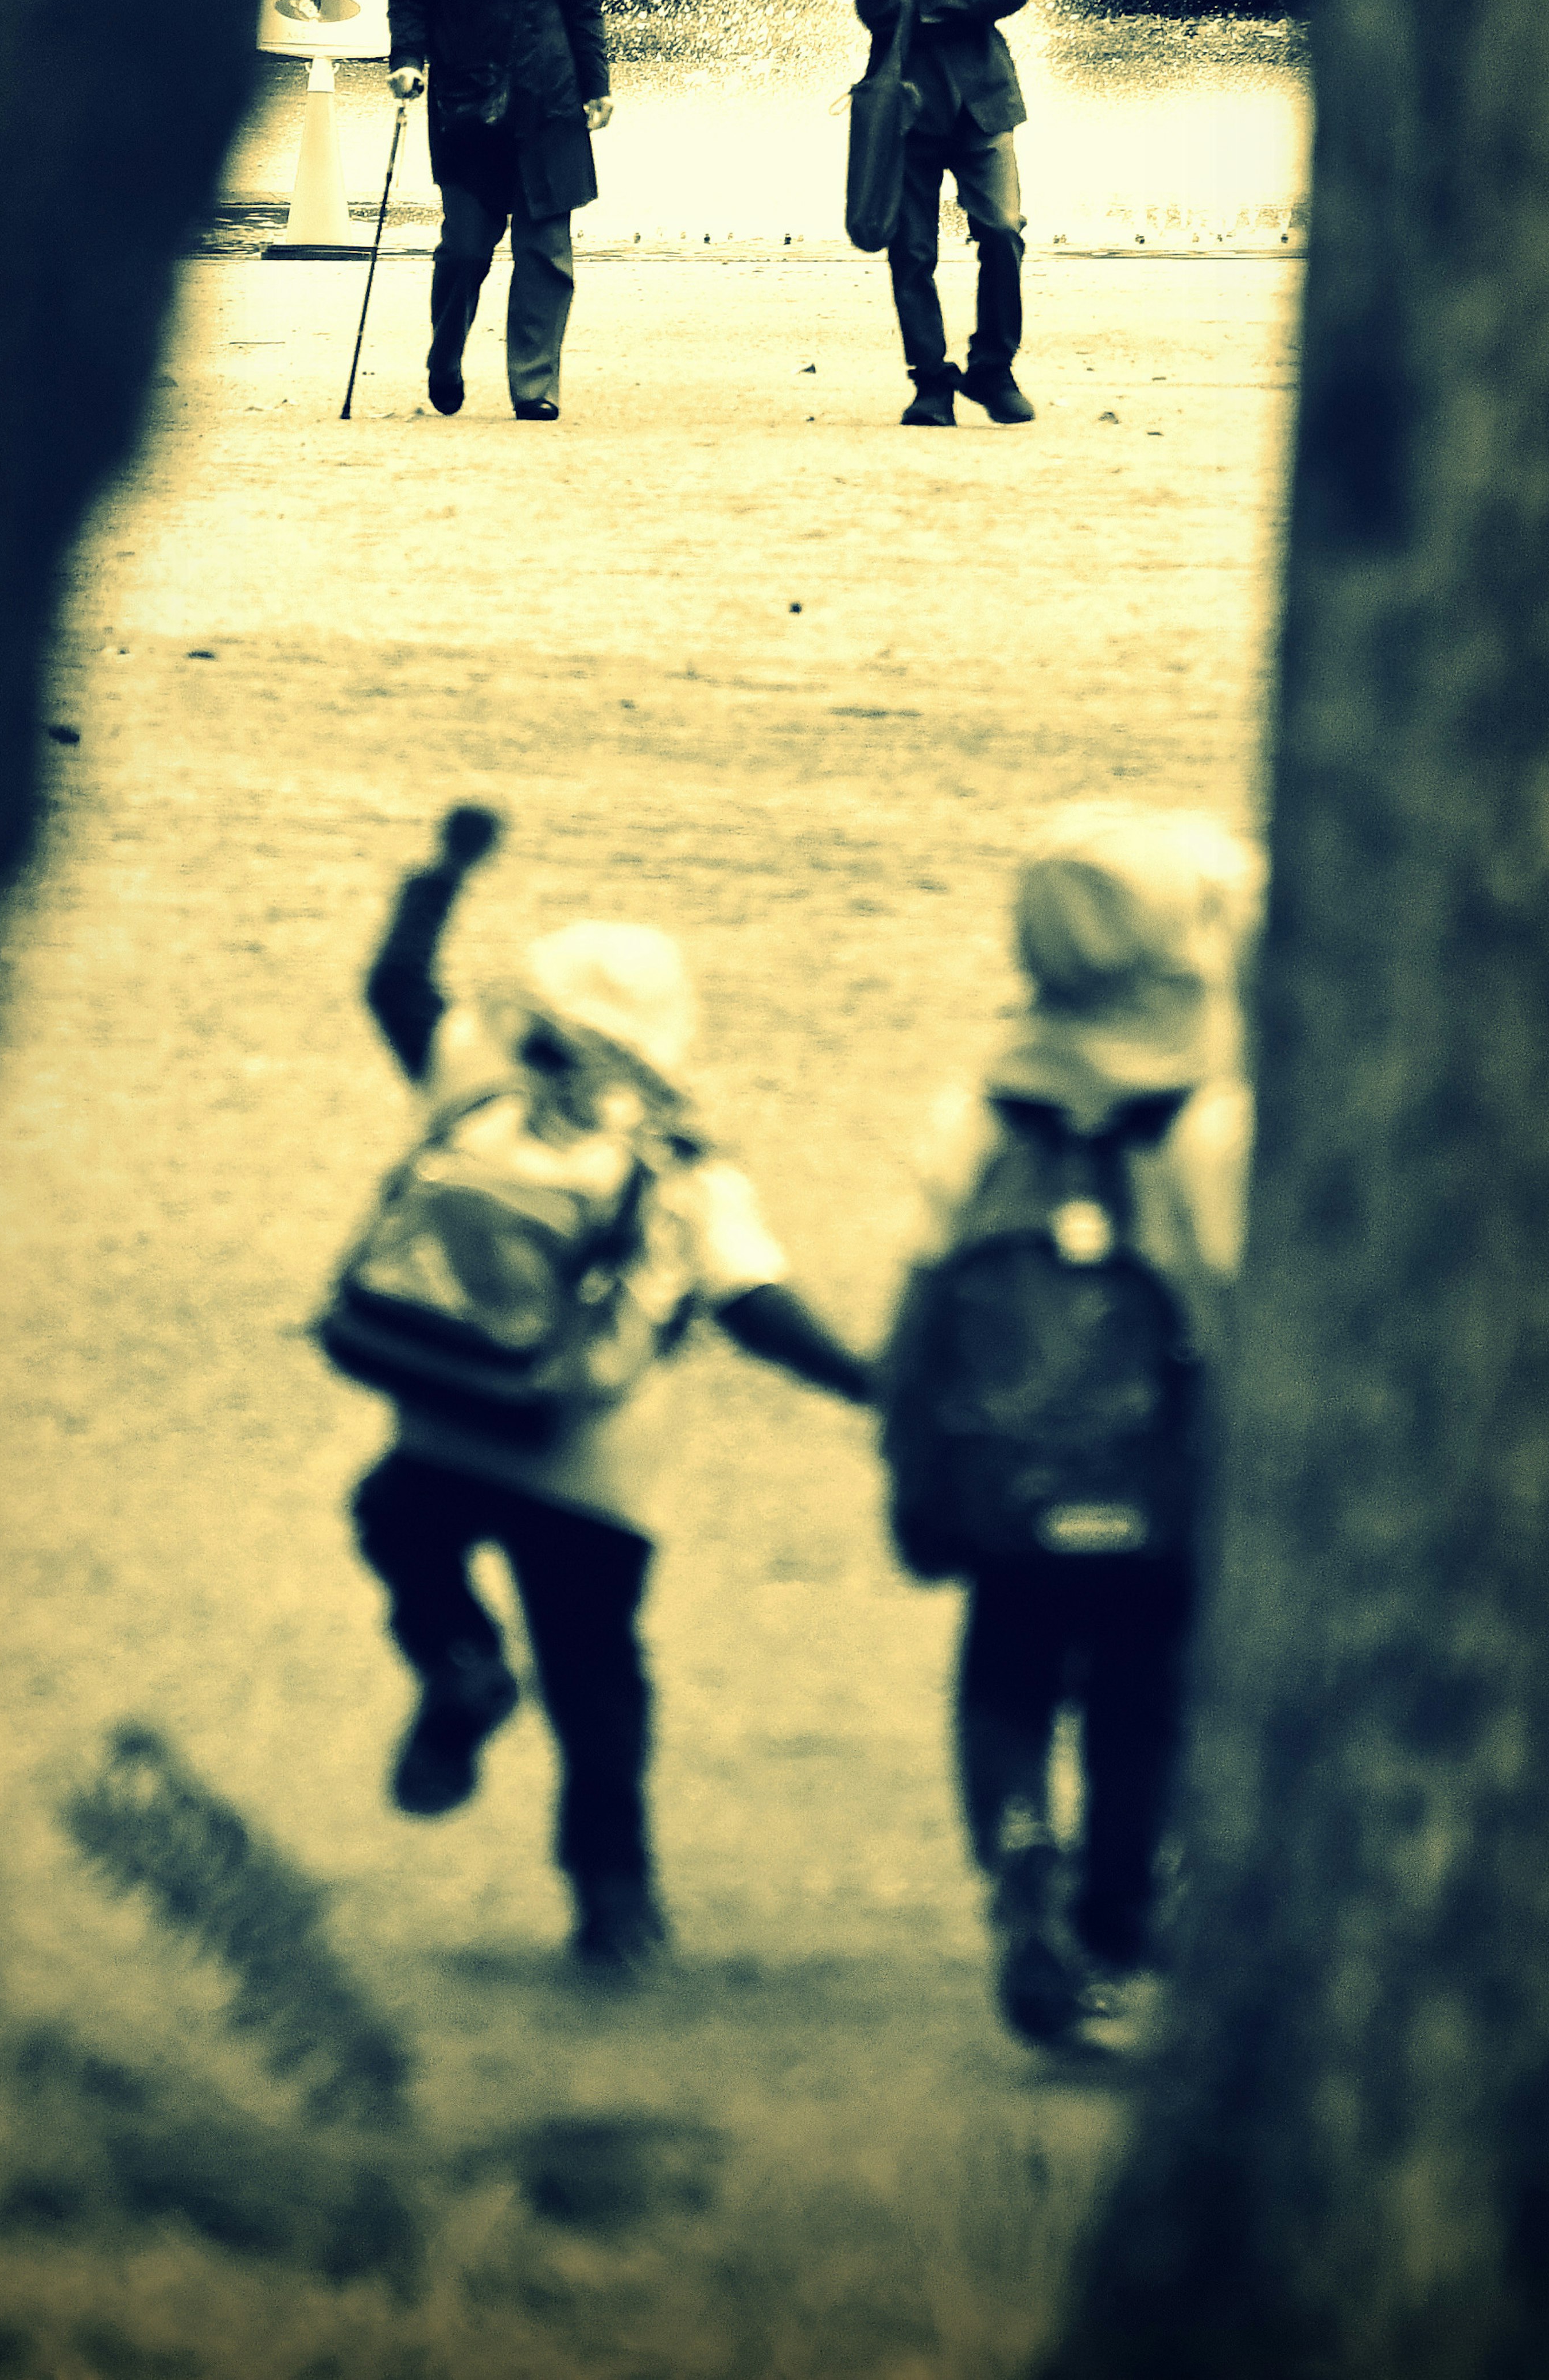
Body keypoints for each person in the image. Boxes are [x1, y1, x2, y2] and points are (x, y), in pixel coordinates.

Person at [341, 803, 876, 1973]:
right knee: (595, 1671)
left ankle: (457, 1661)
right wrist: (877, 1384)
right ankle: (614, 1898)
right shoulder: (685, 1159)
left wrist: (443, 873)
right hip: (593, 1464)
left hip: (442, 1422)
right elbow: (755, 1304)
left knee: (392, 1524)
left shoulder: (475, 1079)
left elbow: (392, 986)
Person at [879, 802, 1260, 2058]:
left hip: (1010, 1470)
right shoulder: (1215, 1124)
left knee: (1008, 1668)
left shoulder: (982, 1115)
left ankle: (1015, 1851)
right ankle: (1113, 1929)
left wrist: (913, 1456)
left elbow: (924, 1300)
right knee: (1142, 1696)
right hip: (1161, 1479)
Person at [386, 0, 612, 422]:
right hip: (465, 101)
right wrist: (408, 60)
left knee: (546, 253)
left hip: (549, 100)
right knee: (463, 248)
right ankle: (445, 352)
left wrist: (597, 85)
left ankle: (535, 385)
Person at [847, 0, 1035, 430]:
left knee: (1004, 233)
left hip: (985, 96)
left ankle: (993, 368)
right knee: (912, 249)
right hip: (906, 100)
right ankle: (930, 381)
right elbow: (873, 4)